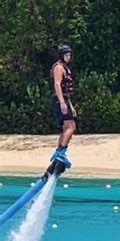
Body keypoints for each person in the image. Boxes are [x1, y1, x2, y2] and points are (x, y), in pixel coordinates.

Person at [42, 44, 75, 181]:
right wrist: (62, 102)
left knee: (66, 128)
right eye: (66, 55)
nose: (68, 57)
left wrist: (70, 106)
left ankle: (58, 156)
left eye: (69, 55)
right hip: (59, 100)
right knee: (71, 127)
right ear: (61, 55)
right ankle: (60, 153)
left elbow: (67, 91)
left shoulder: (65, 68)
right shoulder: (58, 67)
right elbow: (57, 85)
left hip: (64, 100)